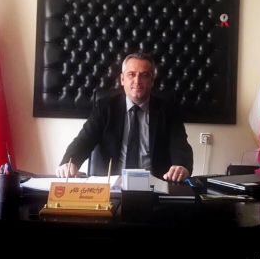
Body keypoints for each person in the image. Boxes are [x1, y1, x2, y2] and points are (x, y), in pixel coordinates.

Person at [56, 53, 193, 182]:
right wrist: (69, 162)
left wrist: (181, 166)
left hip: (153, 186)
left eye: (144, 75)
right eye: (131, 74)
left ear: (152, 81)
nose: (137, 81)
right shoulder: (105, 108)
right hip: (112, 186)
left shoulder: (168, 110)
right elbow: (84, 140)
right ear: (122, 79)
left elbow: (180, 145)